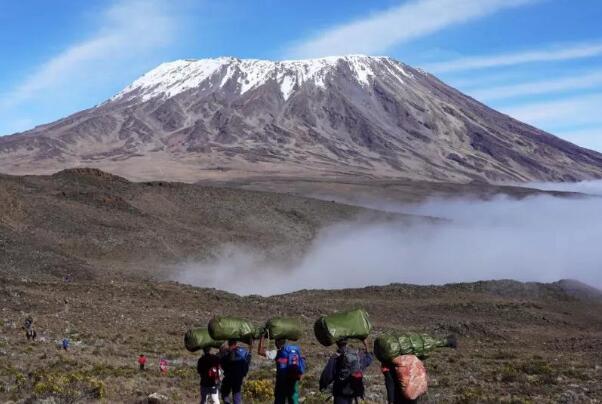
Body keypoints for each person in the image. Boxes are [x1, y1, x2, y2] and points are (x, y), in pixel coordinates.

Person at [319, 339, 373, 404]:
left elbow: (328, 375)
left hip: (340, 392)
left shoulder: (336, 357)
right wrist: (366, 345)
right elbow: (368, 360)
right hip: (353, 391)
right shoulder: (355, 356)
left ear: (336, 343)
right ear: (347, 342)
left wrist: (322, 386)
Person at [258, 336, 305, 404]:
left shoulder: (277, 353)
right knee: (294, 401)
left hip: (281, 383)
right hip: (293, 381)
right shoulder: (294, 350)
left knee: (279, 401)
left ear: (276, 343)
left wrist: (262, 338)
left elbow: (260, 351)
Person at [220, 339, 252, 404]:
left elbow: (223, 364)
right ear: (236, 343)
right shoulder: (243, 352)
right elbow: (247, 362)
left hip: (229, 377)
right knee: (236, 393)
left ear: (229, 344)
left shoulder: (226, 353)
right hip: (239, 377)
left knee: (224, 393)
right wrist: (244, 373)